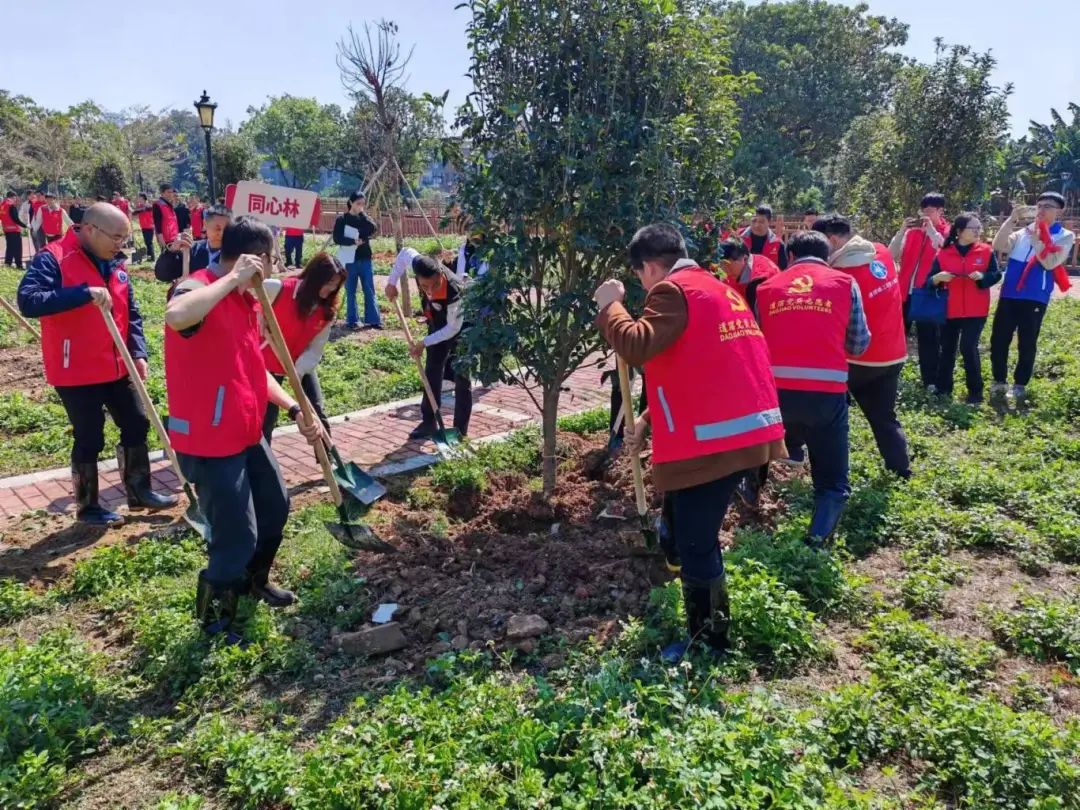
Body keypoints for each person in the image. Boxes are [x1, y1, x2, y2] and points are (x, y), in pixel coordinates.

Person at [593, 223, 785, 661]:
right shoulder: (716, 289)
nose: (643, 285)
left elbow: (637, 346)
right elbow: (704, 365)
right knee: (677, 528)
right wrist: (648, 415)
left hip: (717, 442)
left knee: (698, 541)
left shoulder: (672, 291)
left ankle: (710, 641)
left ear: (649, 267)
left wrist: (612, 307)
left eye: (640, 276)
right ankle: (679, 580)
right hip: (741, 429)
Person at [163, 216, 325, 641]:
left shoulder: (249, 301)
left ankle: (255, 581)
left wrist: (294, 407)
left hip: (245, 429)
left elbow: (255, 368)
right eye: (273, 260)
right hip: (209, 438)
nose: (275, 268)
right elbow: (177, 315)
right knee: (236, 533)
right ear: (256, 258)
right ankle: (215, 624)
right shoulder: (198, 287)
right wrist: (232, 277)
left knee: (275, 506)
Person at [16, 203, 178, 526]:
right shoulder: (54, 257)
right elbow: (28, 300)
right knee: (90, 435)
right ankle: (88, 505)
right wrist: (81, 294)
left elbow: (131, 312)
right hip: (75, 367)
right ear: (90, 229)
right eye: (116, 237)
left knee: (136, 421)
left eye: (125, 238)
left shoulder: (116, 262)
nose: (121, 245)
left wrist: (139, 352)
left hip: (118, 364)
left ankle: (139, 489)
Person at [755, 231, 871, 547]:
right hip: (826, 395)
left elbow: (756, 344)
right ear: (826, 255)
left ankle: (750, 511)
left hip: (776, 395)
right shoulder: (844, 284)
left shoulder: (766, 288)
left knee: (758, 457)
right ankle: (816, 541)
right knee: (832, 481)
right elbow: (859, 344)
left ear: (790, 256)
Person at [813, 213, 911, 479]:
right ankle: (901, 470)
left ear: (832, 239)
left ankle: (830, 474)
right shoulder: (880, 252)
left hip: (858, 359)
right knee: (884, 417)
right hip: (894, 354)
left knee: (831, 416)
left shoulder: (840, 275)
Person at [990, 192, 1076, 401]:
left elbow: (1050, 262)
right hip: (1010, 293)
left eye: (1048, 206)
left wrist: (1039, 239)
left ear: (1059, 210)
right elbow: (998, 245)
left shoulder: (1064, 235)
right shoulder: (1022, 233)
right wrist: (1012, 219)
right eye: (1039, 206)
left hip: (1035, 296)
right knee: (999, 339)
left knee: (1027, 342)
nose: (1042, 210)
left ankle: (1020, 384)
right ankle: (999, 381)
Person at [386, 250, 473, 439]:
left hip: (462, 328)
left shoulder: (454, 289)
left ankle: (459, 431)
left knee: (462, 377)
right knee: (432, 370)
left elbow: (452, 328)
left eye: (435, 285)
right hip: (437, 324)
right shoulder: (419, 263)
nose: (430, 291)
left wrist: (424, 342)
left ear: (440, 275)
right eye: (425, 286)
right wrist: (392, 282)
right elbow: (404, 253)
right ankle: (429, 422)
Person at [260, 252, 344, 442]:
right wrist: (258, 317)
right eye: (328, 282)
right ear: (315, 277)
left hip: (299, 362)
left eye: (335, 285)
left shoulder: (327, 312)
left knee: (315, 410)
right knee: (266, 419)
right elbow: (247, 298)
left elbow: (316, 349)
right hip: (267, 364)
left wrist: (297, 372)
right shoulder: (279, 289)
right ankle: (262, 467)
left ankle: (328, 461)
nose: (331, 289)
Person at [926, 213, 1002, 404]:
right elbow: (930, 281)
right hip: (949, 309)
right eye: (973, 228)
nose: (978, 232)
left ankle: (975, 392)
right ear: (959, 232)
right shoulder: (943, 253)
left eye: (979, 228)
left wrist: (983, 278)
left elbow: (996, 274)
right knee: (948, 349)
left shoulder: (985, 251)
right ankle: (944, 389)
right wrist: (938, 278)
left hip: (976, 311)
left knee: (968, 347)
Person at [889, 192, 950, 385]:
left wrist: (932, 230)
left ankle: (930, 381)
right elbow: (891, 254)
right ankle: (889, 377)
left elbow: (945, 249)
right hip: (904, 292)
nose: (924, 215)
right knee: (895, 336)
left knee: (929, 340)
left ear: (940, 211)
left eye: (930, 211)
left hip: (928, 293)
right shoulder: (911, 233)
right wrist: (901, 231)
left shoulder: (947, 231)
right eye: (922, 211)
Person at [332, 191, 379, 330]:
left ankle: (373, 320)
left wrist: (363, 214)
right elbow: (337, 238)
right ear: (351, 202)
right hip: (349, 260)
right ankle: (352, 320)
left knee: (369, 288)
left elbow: (373, 228)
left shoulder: (363, 218)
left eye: (362, 204)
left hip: (365, 258)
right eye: (358, 203)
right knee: (350, 290)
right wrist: (353, 241)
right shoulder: (342, 220)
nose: (360, 206)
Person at [154, 204, 232, 283]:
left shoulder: (234, 253)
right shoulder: (191, 249)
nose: (222, 233)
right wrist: (172, 251)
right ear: (205, 224)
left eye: (227, 229)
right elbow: (162, 275)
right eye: (217, 228)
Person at [718, 238, 779, 310]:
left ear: (745, 258)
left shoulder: (764, 278)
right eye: (721, 264)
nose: (724, 269)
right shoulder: (727, 274)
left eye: (727, 264)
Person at [741, 204, 788, 270]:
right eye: (754, 221)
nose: (757, 225)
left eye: (761, 222)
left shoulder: (778, 244)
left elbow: (783, 271)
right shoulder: (738, 238)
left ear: (770, 222)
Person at [0, 192, 26, 269]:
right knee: (17, 248)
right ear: (13, 197)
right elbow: (15, 219)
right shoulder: (11, 205)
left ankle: (8, 263)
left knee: (10, 247)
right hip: (14, 230)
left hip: (6, 230)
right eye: (15, 198)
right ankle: (19, 265)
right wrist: (24, 225)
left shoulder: (2, 205)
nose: (15, 200)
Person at [152, 184, 180, 252]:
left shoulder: (169, 205)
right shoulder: (158, 205)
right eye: (168, 192)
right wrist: (160, 239)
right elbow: (157, 223)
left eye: (171, 192)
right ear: (162, 193)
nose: (171, 194)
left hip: (174, 238)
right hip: (166, 240)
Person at [133, 194, 155, 261]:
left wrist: (137, 210)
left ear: (144, 199)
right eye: (139, 198)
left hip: (149, 227)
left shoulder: (148, 206)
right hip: (143, 226)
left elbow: (143, 209)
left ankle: (152, 257)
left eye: (140, 198)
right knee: (147, 242)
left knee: (149, 242)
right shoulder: (139, 206)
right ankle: (149, 257)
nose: (139, 199)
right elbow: (134, 213)